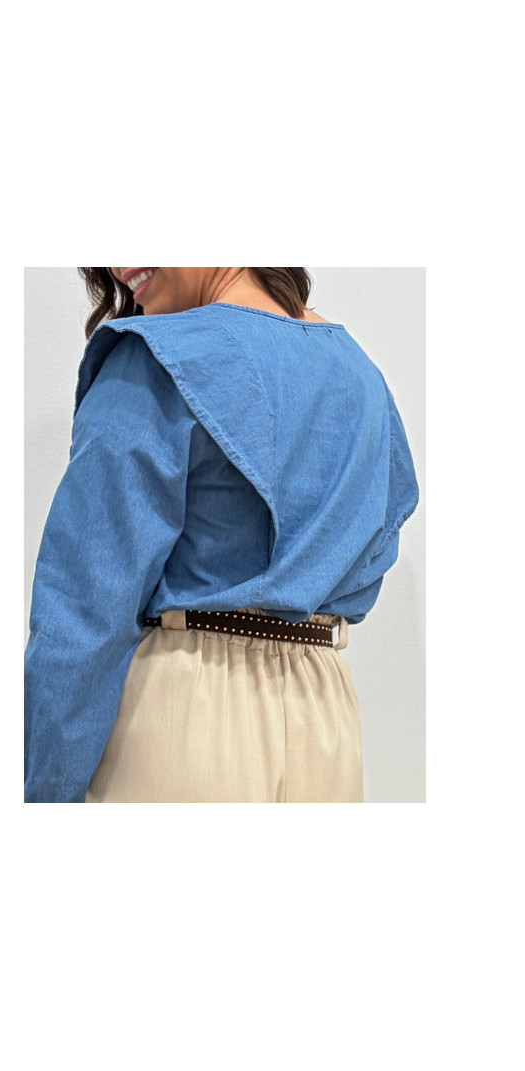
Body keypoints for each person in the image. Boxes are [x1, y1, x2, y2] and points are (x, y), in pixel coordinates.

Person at [24, 267, 419, 803]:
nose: (118, 265)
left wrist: (41, 794)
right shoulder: (364, 378)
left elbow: (83, 612)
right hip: (325, 719)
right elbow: (374, 549)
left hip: (184, 712)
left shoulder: (157, 360)